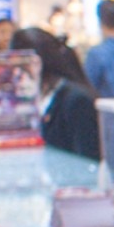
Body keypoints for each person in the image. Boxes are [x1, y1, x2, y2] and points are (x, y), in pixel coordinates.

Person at [14, 24, 101, 160]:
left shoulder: (76, 102)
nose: (16, 75)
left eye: (19, 66)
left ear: (36, 63)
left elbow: (88, 159)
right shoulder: (44, 100)